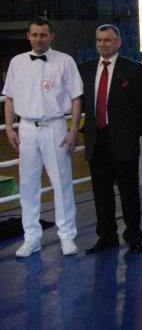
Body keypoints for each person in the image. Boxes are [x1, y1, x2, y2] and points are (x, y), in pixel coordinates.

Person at [3, 17, 82, 257]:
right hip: (26, 128)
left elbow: (76, 98)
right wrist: (9, 128)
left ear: (52, 36)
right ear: (28, 36)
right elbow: (9, 98)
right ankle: (31, 237)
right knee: (28, 185)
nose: (39, 39)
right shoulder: (17, 62)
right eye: (35, 34)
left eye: (43, 34)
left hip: (55, 127)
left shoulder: (65, 61)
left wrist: (73, 129)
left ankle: (67, 236)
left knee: (62, 183)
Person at [79, 24, 142, 255]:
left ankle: (134, 237)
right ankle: (106, 237)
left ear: (118, 42)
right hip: (96, 140)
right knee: (101, 193)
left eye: (107, 40)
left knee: (129, 192)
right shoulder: (85, 69)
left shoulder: (133, 69)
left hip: (124, 139)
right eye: (99, 40)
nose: (103, 44)